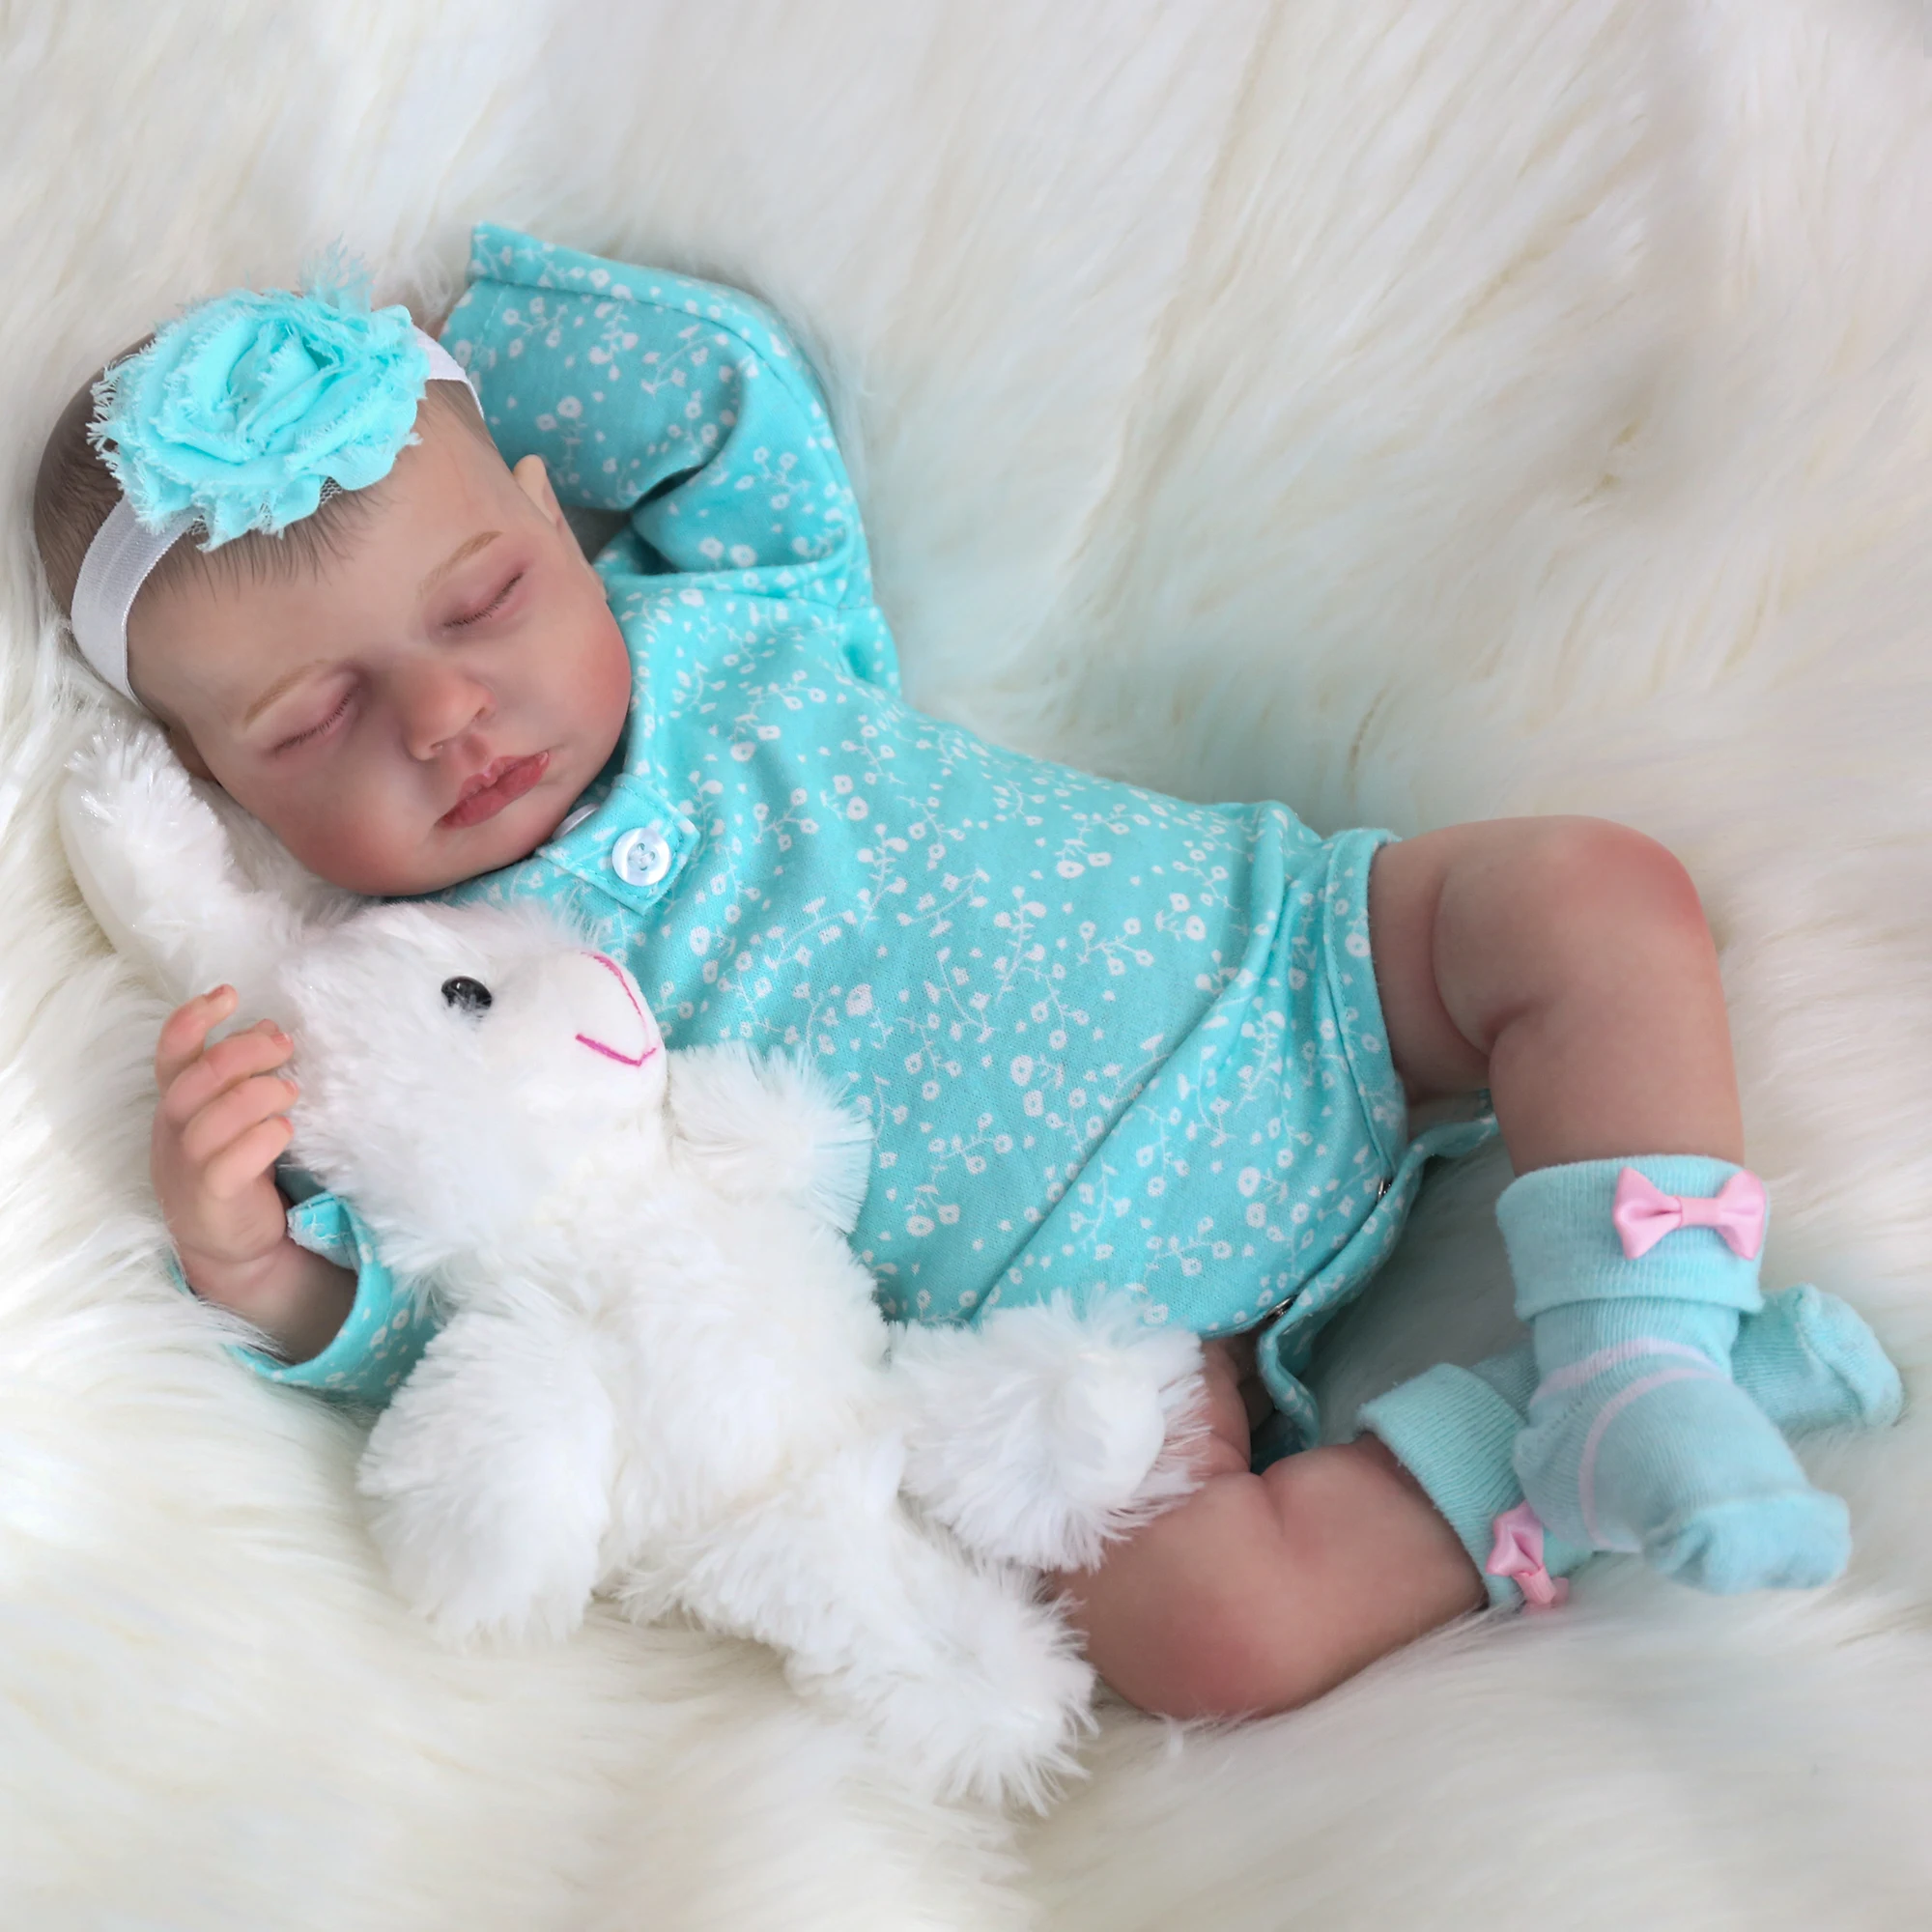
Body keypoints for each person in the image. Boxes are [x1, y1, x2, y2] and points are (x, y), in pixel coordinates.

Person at [32, 227, 1902, 1721]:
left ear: (548, 515)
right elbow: (486, 1299)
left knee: (1585, 896)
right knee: (1209, 1636)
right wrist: (259, 1266)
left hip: (1285, 969)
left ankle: (1640, 1345)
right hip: (1088, 1342)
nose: (447, 712)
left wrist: (468, 324)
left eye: (484, 598)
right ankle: (1569, 1446)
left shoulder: (740, 624)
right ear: (217, 786)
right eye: (316, 716)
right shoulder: (425, 999)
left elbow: (729, 397)